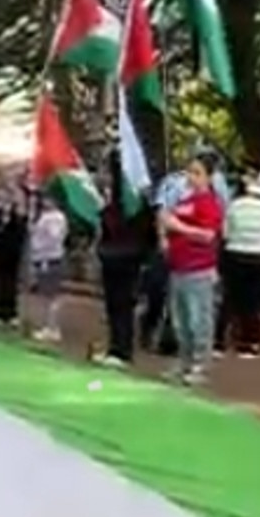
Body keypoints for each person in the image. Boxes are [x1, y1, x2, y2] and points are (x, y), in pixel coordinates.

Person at [161, 154, 224, 385]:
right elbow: (168, 220)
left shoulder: (209, 203)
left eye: (197, 173)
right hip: (178, 266)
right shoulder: (184, 201)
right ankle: (184, 360)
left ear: (209, 177)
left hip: (198, 269)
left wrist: (179, 227)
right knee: (181, 319)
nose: (192, 177)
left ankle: (200, 364)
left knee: (199, 318)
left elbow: (208, 235)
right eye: (189, 172)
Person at [94, 154, 154, 368]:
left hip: (126, 255)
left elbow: (143, 228)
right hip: (113, 254)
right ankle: (115, 346)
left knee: (122, 303)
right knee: (113, 304)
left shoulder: (133, 201)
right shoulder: (115, 201)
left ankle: (122, 350)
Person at [215, 169, 260, 358]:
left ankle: (218, 341)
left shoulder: (235, 206)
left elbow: (226, 232)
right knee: (252, 301)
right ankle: (248, 343)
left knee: (229, 297)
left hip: (234, 253)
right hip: (259, 257)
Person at [0, 180, 28, 328]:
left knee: (11, 281)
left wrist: (17, 215)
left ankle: (10, 312)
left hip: (12, 251)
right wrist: (0, 216)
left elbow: (21, 233)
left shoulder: (17, 215)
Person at [30, 195, 69, 344]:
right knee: (46, 295)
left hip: (49, 258)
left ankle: (52, 327)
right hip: (44, 257)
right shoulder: (47, 216)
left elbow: (55, 236)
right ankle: (48, 325)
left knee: (50, 295)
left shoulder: (54, 218)